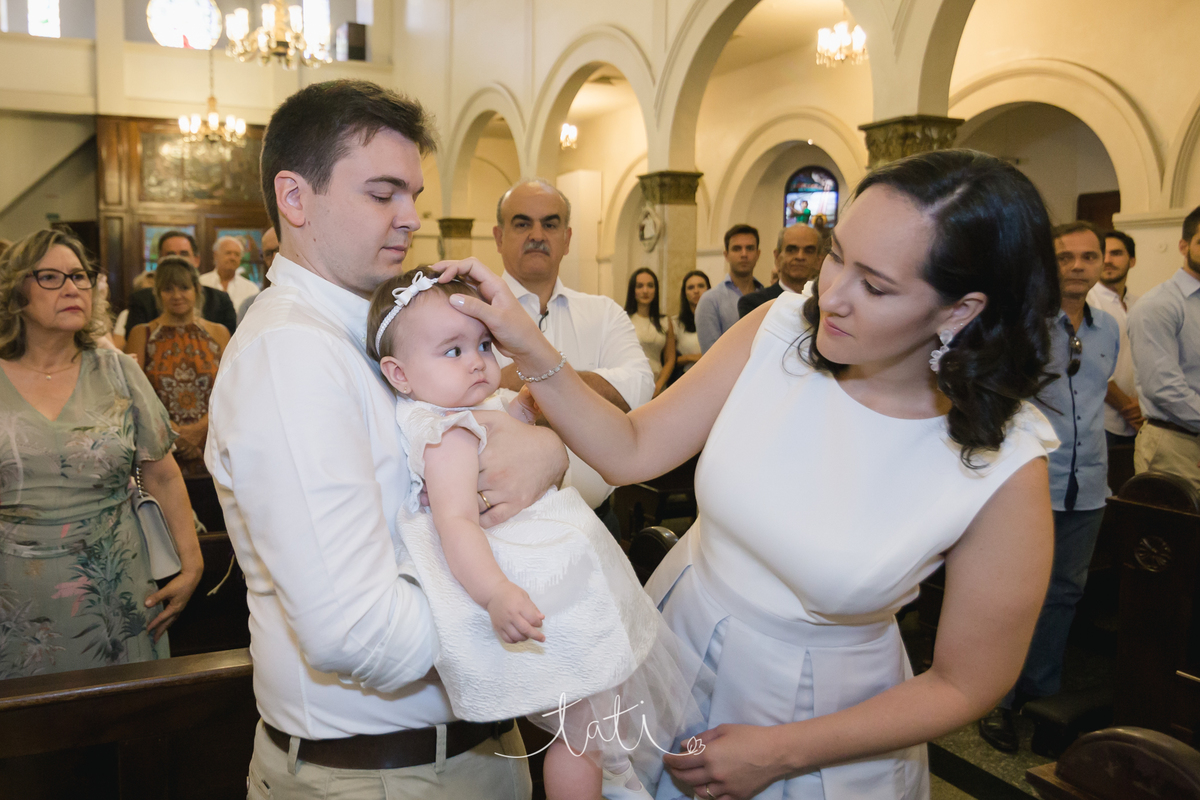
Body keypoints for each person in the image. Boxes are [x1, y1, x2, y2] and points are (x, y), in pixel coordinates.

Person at [440, 149, 1061, 799]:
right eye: (836, 256)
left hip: (822, 716)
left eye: (875, 287)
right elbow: (631, 448)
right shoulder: (779, 328)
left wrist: (782, 751)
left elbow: (966, 682)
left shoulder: (1005, 460)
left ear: (960, 310)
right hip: (674, 644)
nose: (832, 296)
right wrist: (527, 344)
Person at [205, 79, 566, 800]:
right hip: (378, 775)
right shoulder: (291, 354)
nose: (411, 218)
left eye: (414, 195)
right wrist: (539, 602)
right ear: (295, 197)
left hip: (470, 750)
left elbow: (482, 456)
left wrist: (547, 452)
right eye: (382, 193)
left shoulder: (384, 333)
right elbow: (356, 632)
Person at [365, 268, 700, 800]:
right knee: (578, 727)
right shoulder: (447, 434)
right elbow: (455, 523)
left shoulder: (468, 407)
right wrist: (496, 592)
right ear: (399, 374)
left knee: (589, 716)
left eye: (482, 344)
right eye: (452, 351)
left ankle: (612, 774)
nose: (477, 361)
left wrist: (522, 410)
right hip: (520, 582)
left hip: (546, 573)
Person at [0, 229, 202, 679]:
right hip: (14, 593)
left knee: (125, 712)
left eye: (79, 276)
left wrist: (191, 563)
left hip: (116, 587)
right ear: (16, 290)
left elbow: (163, 475)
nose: (72, 288)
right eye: (50, 277)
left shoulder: (118, 370)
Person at [980, 221, 1119, 754]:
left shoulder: (1109, 328)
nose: (1079, 266)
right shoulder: (1023, 326)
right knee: (1014, 595)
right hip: (1031, 480)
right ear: (1048, 263)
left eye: (1089, 256)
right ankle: (995, 699)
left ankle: (1043, 698)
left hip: (1089, 483)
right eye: (1066, 257)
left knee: (1064, 593)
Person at [490, 178, 653, 524]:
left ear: (566, 239)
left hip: (596, 521)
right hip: (499, 530)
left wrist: (524, 382)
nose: (537, 235)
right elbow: (458, 408)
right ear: (499, 236)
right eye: (522, 224)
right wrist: (587, 401)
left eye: (550, 224)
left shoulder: (604, 313)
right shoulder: (469, 313)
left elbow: (638, 390)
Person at [125, 257, 229, 478]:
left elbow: (231, 392)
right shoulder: (142, 334)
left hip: (213, 452)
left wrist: (199, 431)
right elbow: (135, 396)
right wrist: (175, 434)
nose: (177, 295)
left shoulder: (218, 333)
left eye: (184, 287)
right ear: (158, 293)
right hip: (161, 457)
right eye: (168, 289)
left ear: (197, 289)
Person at [1128, 204, 1200, 492]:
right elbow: (1163, 388)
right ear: (1184, 246)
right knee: (1177, 522)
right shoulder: (1159, 304)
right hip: (1174, 444)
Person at [1087, 230, 1142, 454]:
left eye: (1117, 253)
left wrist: (1144, 407)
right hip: (1101, 421)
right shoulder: (1088, 299)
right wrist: (1129, 408)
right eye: (1104, 254)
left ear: (1132, 260)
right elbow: (1092, 362)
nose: (1108, 260)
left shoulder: (1141, 304)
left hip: (1140, 419)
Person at [125, 231, 238, 335]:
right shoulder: (142, 301)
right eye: (170, 254)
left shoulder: (220, 301)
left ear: (196, 260)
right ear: (160, 260)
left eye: (184, 254)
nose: (177, 259)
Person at [695, 224, 763, 353]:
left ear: (758, 254)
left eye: (749, 248)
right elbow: (711, 354)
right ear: (726, 255)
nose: (744, 254)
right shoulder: (710, 300)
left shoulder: (766, 296)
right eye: (737, 249)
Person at [738, 225, 822, 318]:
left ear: (819, 260)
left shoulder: (824, 304)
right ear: (777, 256)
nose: (800, 256)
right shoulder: (755, 303)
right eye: (791, 250)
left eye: (808, 251)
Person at [625, 268, 675, 397]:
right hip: (631, 383)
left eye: (650, 286)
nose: (645, 291)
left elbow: (670, 359)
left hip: (658, 384)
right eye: (640, 286)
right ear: (633, 290)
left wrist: (658, 386)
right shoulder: (624, 319)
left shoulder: (665, 321)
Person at [201, 235, 260, 310]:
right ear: (216, 255)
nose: (232, 258)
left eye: (237, 254)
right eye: (228, 253)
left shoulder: (251, 290)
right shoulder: (201, 283)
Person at [671, 270, 709, 381]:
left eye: (701, 286)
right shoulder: (676, 323)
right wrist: (692, 357)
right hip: (686, 378)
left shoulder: (717, 319)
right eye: (691, 287)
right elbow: (669, 360)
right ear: (685, 293)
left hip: (713, 376)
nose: (696, 291)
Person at [237, 227, 278, 323]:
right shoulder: (251, 306)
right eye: (268, 254)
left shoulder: (311, 298)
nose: (275, 258)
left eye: (279, 250)